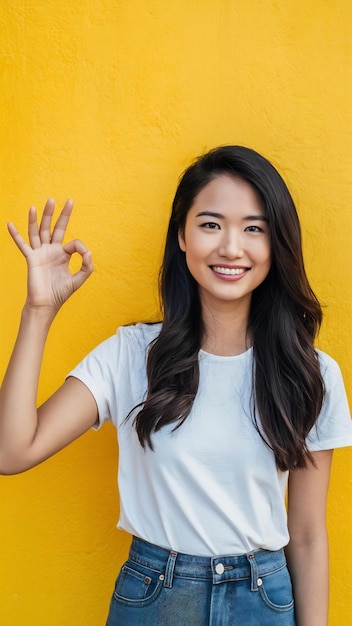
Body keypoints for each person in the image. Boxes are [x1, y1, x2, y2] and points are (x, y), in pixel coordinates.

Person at [1, 146, 351, 626]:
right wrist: (38, 312)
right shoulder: (131, 355)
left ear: (277, 244)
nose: (231, 247)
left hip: (263, 601)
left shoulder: (311, 372)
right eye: (211, 224)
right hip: (155, 596)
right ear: (182, 236)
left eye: (254, 228)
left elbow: (308, 534)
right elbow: (11, 452)